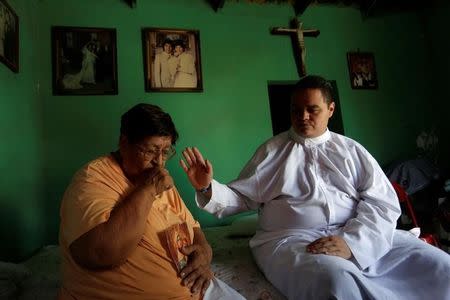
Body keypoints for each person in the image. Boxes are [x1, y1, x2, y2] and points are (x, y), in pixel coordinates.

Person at [180, 75, 450, 300]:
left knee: (439, 265)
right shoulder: (272, 151)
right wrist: (207, 188)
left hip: (358, 235)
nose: (303, 116)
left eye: (312, 109)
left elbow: (382, 202)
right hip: (292, 241)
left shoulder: (352, 150)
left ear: (331, 109)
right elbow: (241, 198)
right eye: (296, 110)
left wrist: (352, 243)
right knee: (337, 282)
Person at [58, 103, 245, 300]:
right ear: (124, 142)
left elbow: (193, 228)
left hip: (197, 289)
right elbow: (101, 253)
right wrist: (148, 190)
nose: (160, 162)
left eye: (165, 152)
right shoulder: (92, 179)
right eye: (150, 151)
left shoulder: (159, 179)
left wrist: (204, 256)